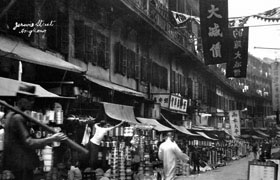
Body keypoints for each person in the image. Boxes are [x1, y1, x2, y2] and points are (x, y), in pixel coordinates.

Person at [3, 84, 67, 180]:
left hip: (14, 165)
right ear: (20, 99)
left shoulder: (10, 115)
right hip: (22, 165)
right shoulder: (18, 118)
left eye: (32, 99)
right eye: (29, 99)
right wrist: (51, 138)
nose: (32, 102)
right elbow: (29, 142)